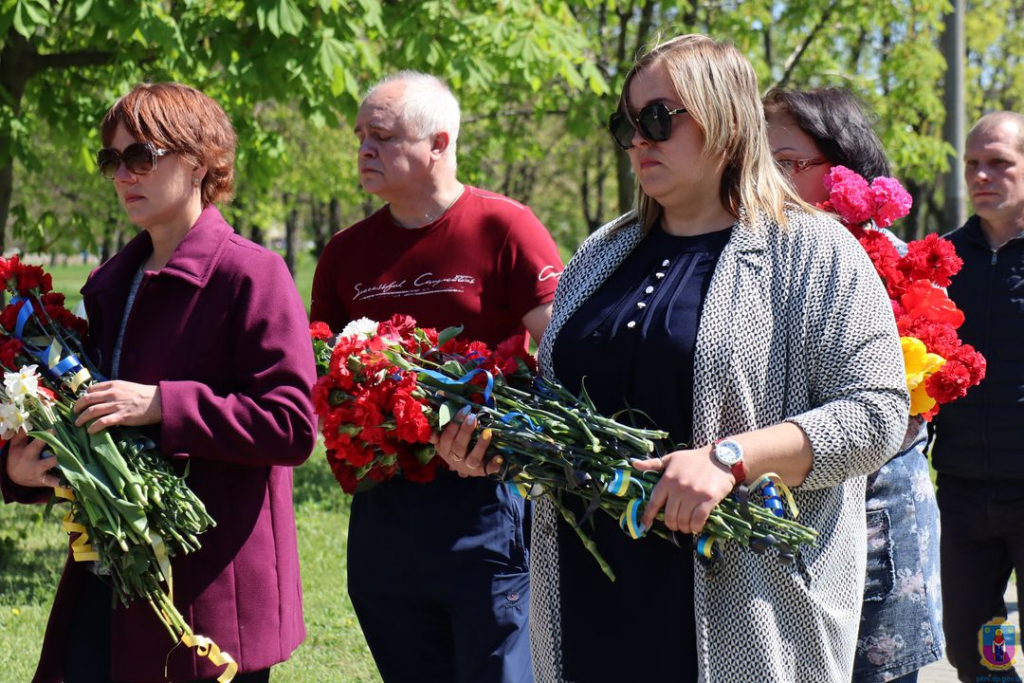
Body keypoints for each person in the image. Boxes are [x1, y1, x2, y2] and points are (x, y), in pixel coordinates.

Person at [454, 34, 907, 682]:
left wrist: (733, 458)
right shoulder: (600, 254)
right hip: (589, 608)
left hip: (738, 616)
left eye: (659, 119)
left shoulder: (812, 250)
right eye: (627, 123)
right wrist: (500, 436)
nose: (639, 139)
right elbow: (566, 403)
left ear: (724, 118)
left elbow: (877, 414)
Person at [1, 82, 317, 683]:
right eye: (111, 160)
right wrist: (22, 471)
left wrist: (162, 404)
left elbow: (292, 427)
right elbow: (85, 420)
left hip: (209, 592)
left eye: (141, 156)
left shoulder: (253, 274)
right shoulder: (110, 283)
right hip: (109, 579)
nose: (123, 175)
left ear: (198, 162)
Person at [309, 71, 562, 683]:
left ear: (439, 144)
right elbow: (321, 372)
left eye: (382, 135)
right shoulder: (346, 252)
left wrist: (514, 431)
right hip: (383, 509)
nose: (364, 148)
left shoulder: (503, 227)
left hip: (485, 499)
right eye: (359, 136)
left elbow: (563, 346)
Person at [763, 87, 944, 683]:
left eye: (787, 163)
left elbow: (901, 405)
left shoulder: (892, 261)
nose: (768, 179)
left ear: (843, 169)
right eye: (758, 163)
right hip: (776, 517)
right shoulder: (749, 250)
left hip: (873, 513)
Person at [932, 111, 1024, 683]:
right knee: (979, 650)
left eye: (1000, 163)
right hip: (964, 496)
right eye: (973, 165)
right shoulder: (942, 261)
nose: (982, 176)